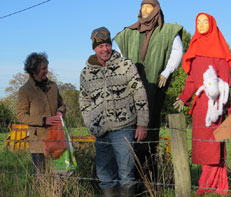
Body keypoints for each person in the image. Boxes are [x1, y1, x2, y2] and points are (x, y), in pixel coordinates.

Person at [113, 0, 183, 185]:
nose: (145, 11)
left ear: (156, 10)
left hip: (154, 87)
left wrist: (166, 72)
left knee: (150, 130)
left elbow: (177, 51)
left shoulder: (168, 31)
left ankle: (151, 181)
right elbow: (118, 55)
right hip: (130, 90)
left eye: (148, 8)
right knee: (130, 129)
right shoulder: (128, 33)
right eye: (142, 7)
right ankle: (132, 180)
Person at [79, 27, 149, 196]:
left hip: (124, 128)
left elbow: (139, 92)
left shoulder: (125, 65)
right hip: (100, 132)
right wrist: (90, 123)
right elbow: (84, 100)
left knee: (126, 175)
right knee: (104, 176)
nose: (105, 49)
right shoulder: (86, 72)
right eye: (100, 46)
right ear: (94, 48)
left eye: (107, 45)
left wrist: (142, 123)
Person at [173, 13, 231, 195]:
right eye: (198, 21)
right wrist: (183, 97)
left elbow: (226, 80)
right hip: (199, 106)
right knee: (202, 144)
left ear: (212, 24)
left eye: (205, 21)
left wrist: (220, 100)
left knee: (213, 144)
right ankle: (210, 184)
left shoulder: (219, 50)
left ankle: (208, 185)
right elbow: (192, 80)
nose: (202, 24)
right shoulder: (195, 48)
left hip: (214, 104)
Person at [16, 52, 66, 174]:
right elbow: (21, 115)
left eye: (47, 67)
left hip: (57, 138)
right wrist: (43, 120)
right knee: (40, 176)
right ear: (34, 70)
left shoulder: (53, 86)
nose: (47, 71)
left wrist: (60, 112)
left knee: (60, 175)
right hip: (38, 142)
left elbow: (62, 104)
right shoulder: (24, 91)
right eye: (44, 68)